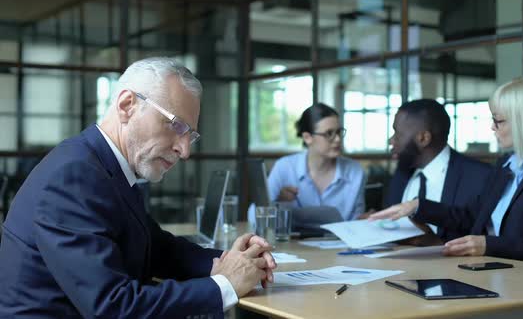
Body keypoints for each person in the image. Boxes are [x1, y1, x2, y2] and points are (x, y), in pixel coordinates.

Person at [0, 57, 276, 318]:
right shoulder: (73, 177)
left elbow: (153, 245)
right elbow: (113, 307)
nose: (184, 151)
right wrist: (224, 284)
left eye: (190, 135)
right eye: (176, 125)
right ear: (127, 105)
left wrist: (229, 261)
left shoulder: (105, 165)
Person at [370, 77, 523, 267]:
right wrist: (418, 206)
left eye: (498, 121)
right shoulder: (507, 164)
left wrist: (488, 245)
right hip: (495, 275)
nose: (492, 128)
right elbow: (473, 216)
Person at [382, 99, 492, 242]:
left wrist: (434, 243)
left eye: (397, 134)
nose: (391, 140)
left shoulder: (479, 177)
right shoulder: (402, 173)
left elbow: (483, 235)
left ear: (423, 138)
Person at [267, 103, 365, 221]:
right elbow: (254, 215)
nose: (338, 139)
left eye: (339, 132)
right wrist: (278, 202)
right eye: (329, 133)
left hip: (340, 240)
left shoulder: (355, 171)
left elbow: (356, 219)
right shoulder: (284, 167)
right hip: (291, 240)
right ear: (307, 137)